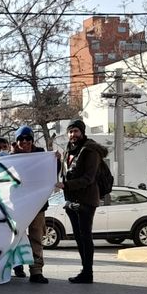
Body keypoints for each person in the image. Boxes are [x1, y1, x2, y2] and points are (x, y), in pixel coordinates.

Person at [57, 119, 108, 284]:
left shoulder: (90, 151)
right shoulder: (69, 150)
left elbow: (88, 178)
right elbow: (67, 172)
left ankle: (88, 272)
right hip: (71, 200)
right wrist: (58, 161)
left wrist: (66, 185)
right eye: (70, 132)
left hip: (86, 200)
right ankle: (85, 270)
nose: (73, 135)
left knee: (85, 236)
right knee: (79, 237)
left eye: (76, 131)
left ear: (82, 132)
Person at [11, 125, 53, 284]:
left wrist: (54, 158)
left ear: (32, 140)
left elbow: (50, 175)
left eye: (28, 138)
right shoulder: (12, 157)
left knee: (36, 237)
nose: (24, 142)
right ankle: (15, 266)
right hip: (18, 205)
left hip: (38, 205)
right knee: (14, 236)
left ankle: (36, 270)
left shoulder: (42, 155)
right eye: (21, 139)